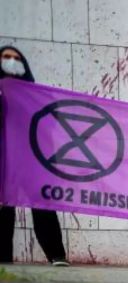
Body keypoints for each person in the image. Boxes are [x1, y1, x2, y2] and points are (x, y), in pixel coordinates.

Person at [0, 46, 68, 267]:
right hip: (3, 158)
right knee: (3, 208)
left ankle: (56, 256)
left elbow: (50, 125)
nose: (11, 61)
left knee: (43, 205)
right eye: (6, 57)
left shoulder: (36, 96)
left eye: (16, 58)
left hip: (30, 159)